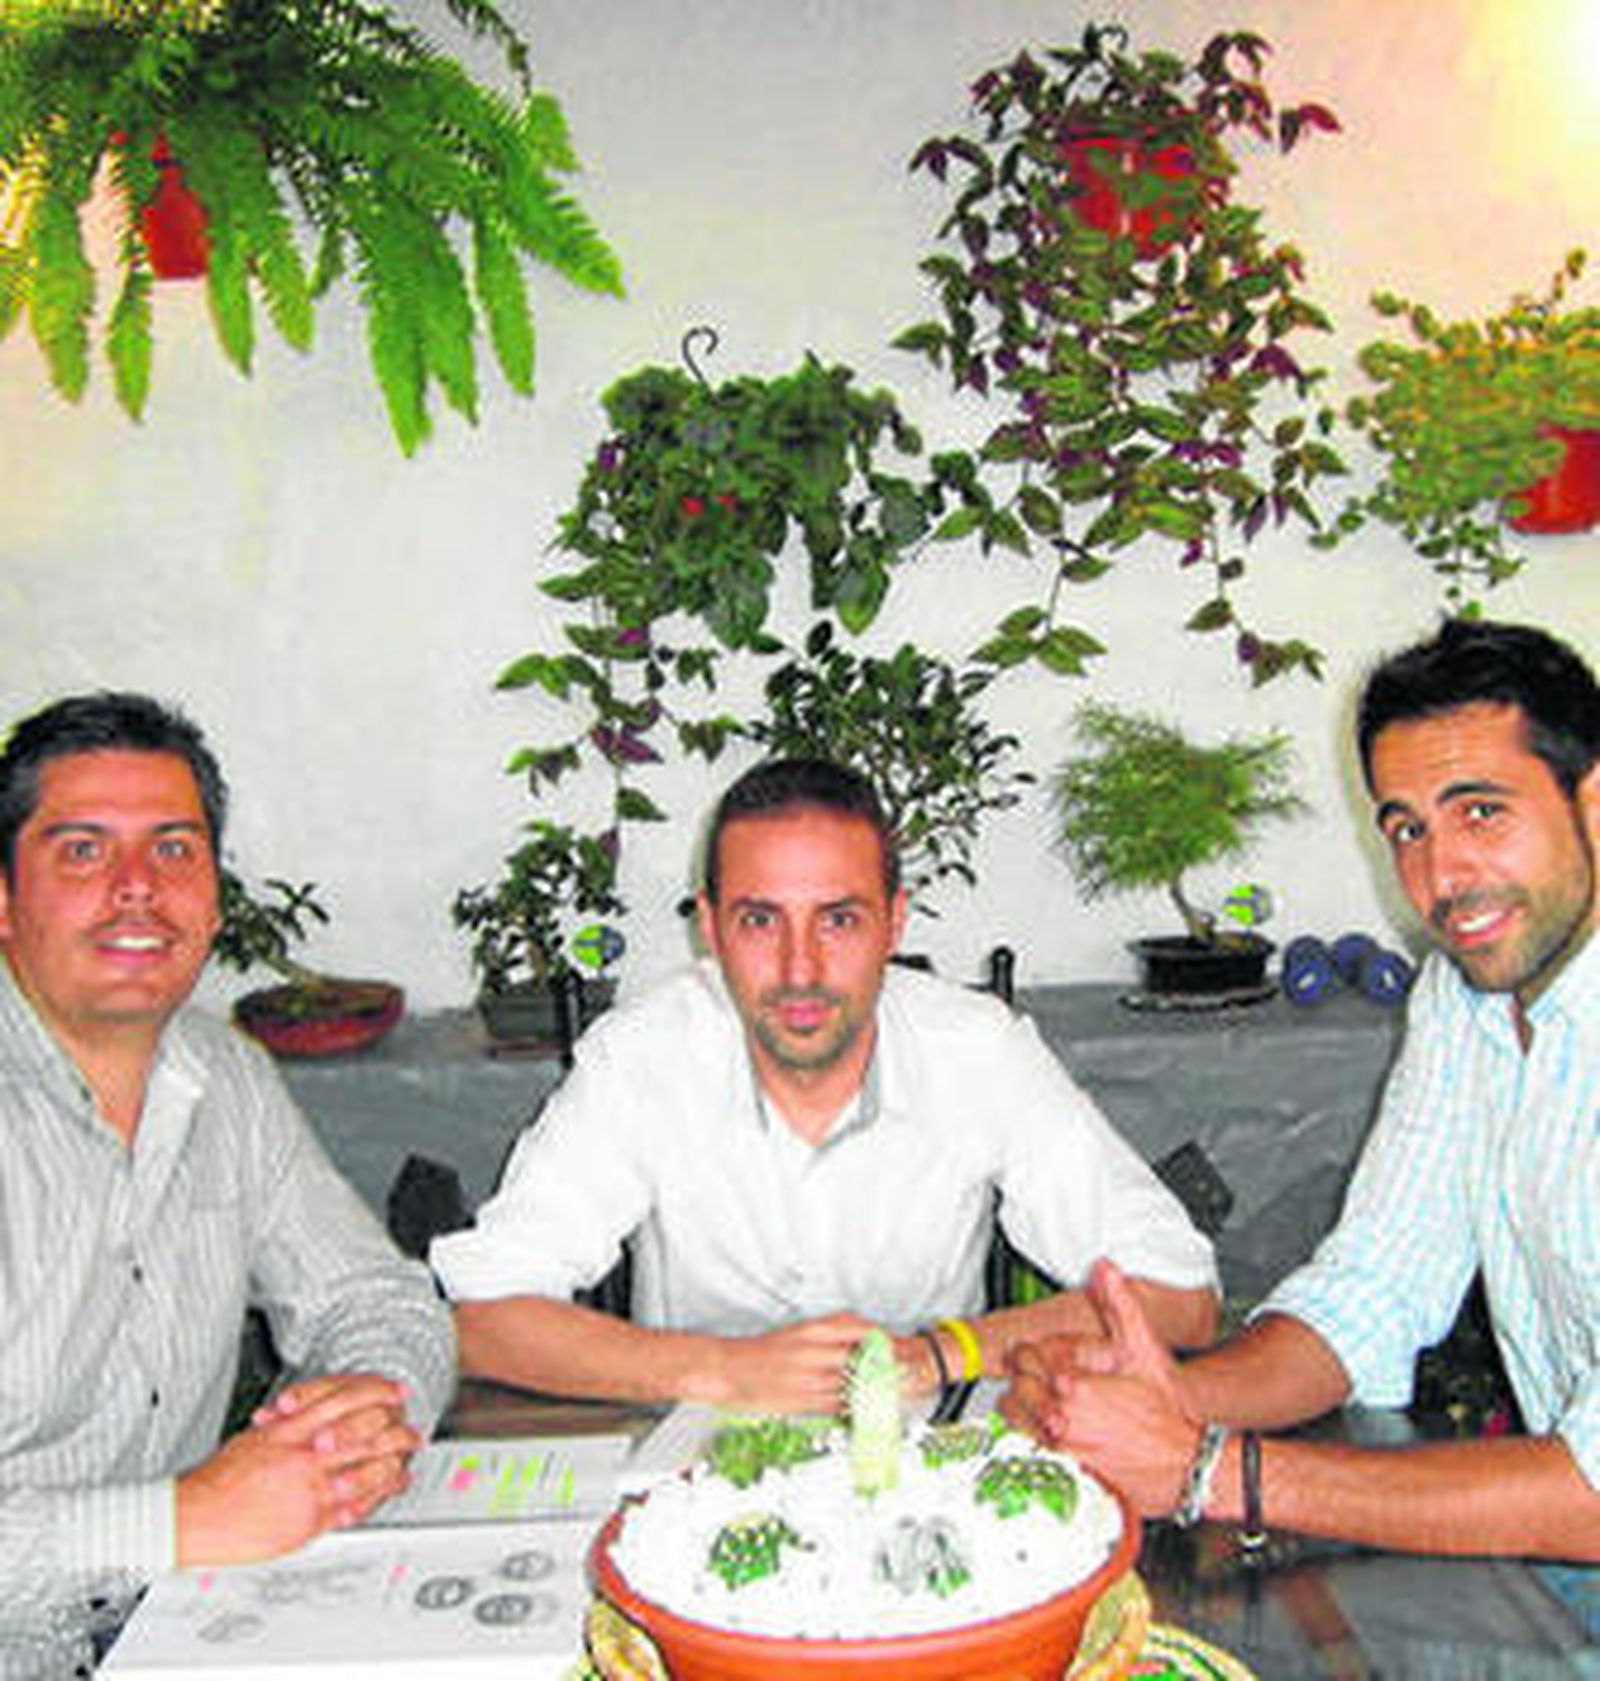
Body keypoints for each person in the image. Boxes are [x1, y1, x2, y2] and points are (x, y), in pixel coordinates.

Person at [1003, 617, 1600, 1560]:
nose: (1441, 876)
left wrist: (1207, 1469)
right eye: (1407, 828)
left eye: (1482, 812)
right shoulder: (1463, 999)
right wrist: (1162, 1396)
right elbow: (1375, 1287)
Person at [432, 757, 1217, 1416]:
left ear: (895, 923)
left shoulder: (979, 1049)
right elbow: (482, 1319)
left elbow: (1180, 1295)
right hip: (694, 1469)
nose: (799, 969)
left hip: (933, 1465)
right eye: (759, 920)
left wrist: (942, 1351)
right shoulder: (641, 1055)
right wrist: (725, 1369)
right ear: (710, 928)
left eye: (838, 920)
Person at [0, 693, 456, 1624]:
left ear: (213, 898)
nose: (137, 885)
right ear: (4, 899)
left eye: (174, 848)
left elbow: (377, 1298)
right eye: (82, 850)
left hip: (177, 1622)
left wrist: (359, 1421)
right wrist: (174, 1521)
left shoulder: (224, 1077)